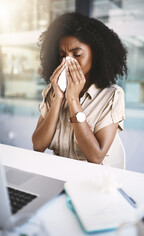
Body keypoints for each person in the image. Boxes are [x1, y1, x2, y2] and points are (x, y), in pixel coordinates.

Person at [32, 12, 127, 164]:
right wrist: (58, 99)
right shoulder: (53, 90)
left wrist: (73, 100)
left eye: (77, 54)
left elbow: (96, 157)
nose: (67, 61)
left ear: (95, 55)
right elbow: (38, 146)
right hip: (57, 173)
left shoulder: (112, 95)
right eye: (62, 55)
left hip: (92, 180)